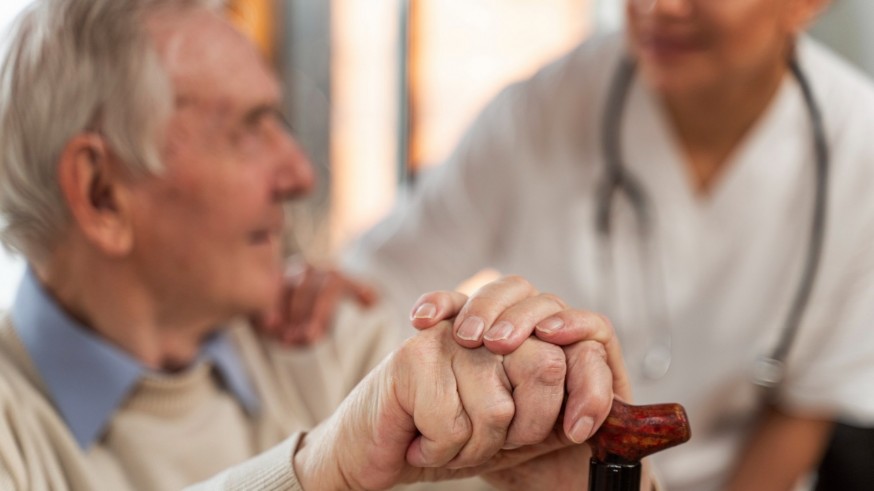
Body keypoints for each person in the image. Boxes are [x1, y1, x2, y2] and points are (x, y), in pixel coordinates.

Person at [0, 0, 636, 489]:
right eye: (246, 132)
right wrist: (317, 473)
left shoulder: (338, 345)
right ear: (102, 191)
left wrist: (590, 477)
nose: (300, 174)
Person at [334, 0, 874, 489]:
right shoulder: (544, 110)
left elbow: (803, 408)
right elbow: (381, 278)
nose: (659, 8)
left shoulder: (857, 147)